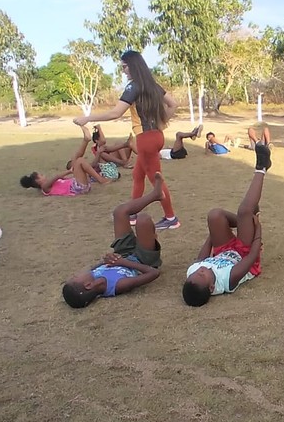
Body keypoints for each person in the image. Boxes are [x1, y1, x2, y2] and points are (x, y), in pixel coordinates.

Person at [73, 50, 181, 230]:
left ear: (133, 66)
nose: (123, 70)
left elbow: (116, 113)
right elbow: (173, 104)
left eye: (124, 66)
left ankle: (171, 218)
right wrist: (162, 123)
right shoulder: (152, 84)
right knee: (137, 174)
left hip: (146, 140)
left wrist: (88, 118)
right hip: (155, 136)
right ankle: (132, 214)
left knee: (156, 181)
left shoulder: (133, 86)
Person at [182, 142, 270, 307]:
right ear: (212, 287)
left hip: (225, 249)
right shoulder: (227, 279)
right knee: (244, 210)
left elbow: (202, 257)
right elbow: (251, 258)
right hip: (245, 254)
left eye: (194, 274)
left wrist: (214, 234)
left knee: (214, 215)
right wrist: (257, 229)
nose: (199, 270)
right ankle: (262, 167)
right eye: (201, 275)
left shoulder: (193, 272)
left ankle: (247, 219)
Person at [61, 173, 167, 308]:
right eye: (76, 278)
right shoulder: (117, 285)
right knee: (143, 219)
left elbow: (103, 264)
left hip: (122, 253)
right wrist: (124, 262)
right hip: (142, 261)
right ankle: (149, 238)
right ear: (88, 285)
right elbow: (154, 273)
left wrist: (107, 259)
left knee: (119, 212)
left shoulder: (93, 275)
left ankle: (156, 195)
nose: (77, 275)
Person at [19, 126, 112, 196]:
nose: (44, 176)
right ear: (38, 181)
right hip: (79, 188)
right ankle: (101, 180)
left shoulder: (50, 185)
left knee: (75, 159)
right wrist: (69, 171)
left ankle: (86, 140)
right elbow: (57, 176)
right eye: (41, 176)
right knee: (79, 160)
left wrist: (71, 175)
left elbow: (61, 181)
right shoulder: (45, 187)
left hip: (79, 185)